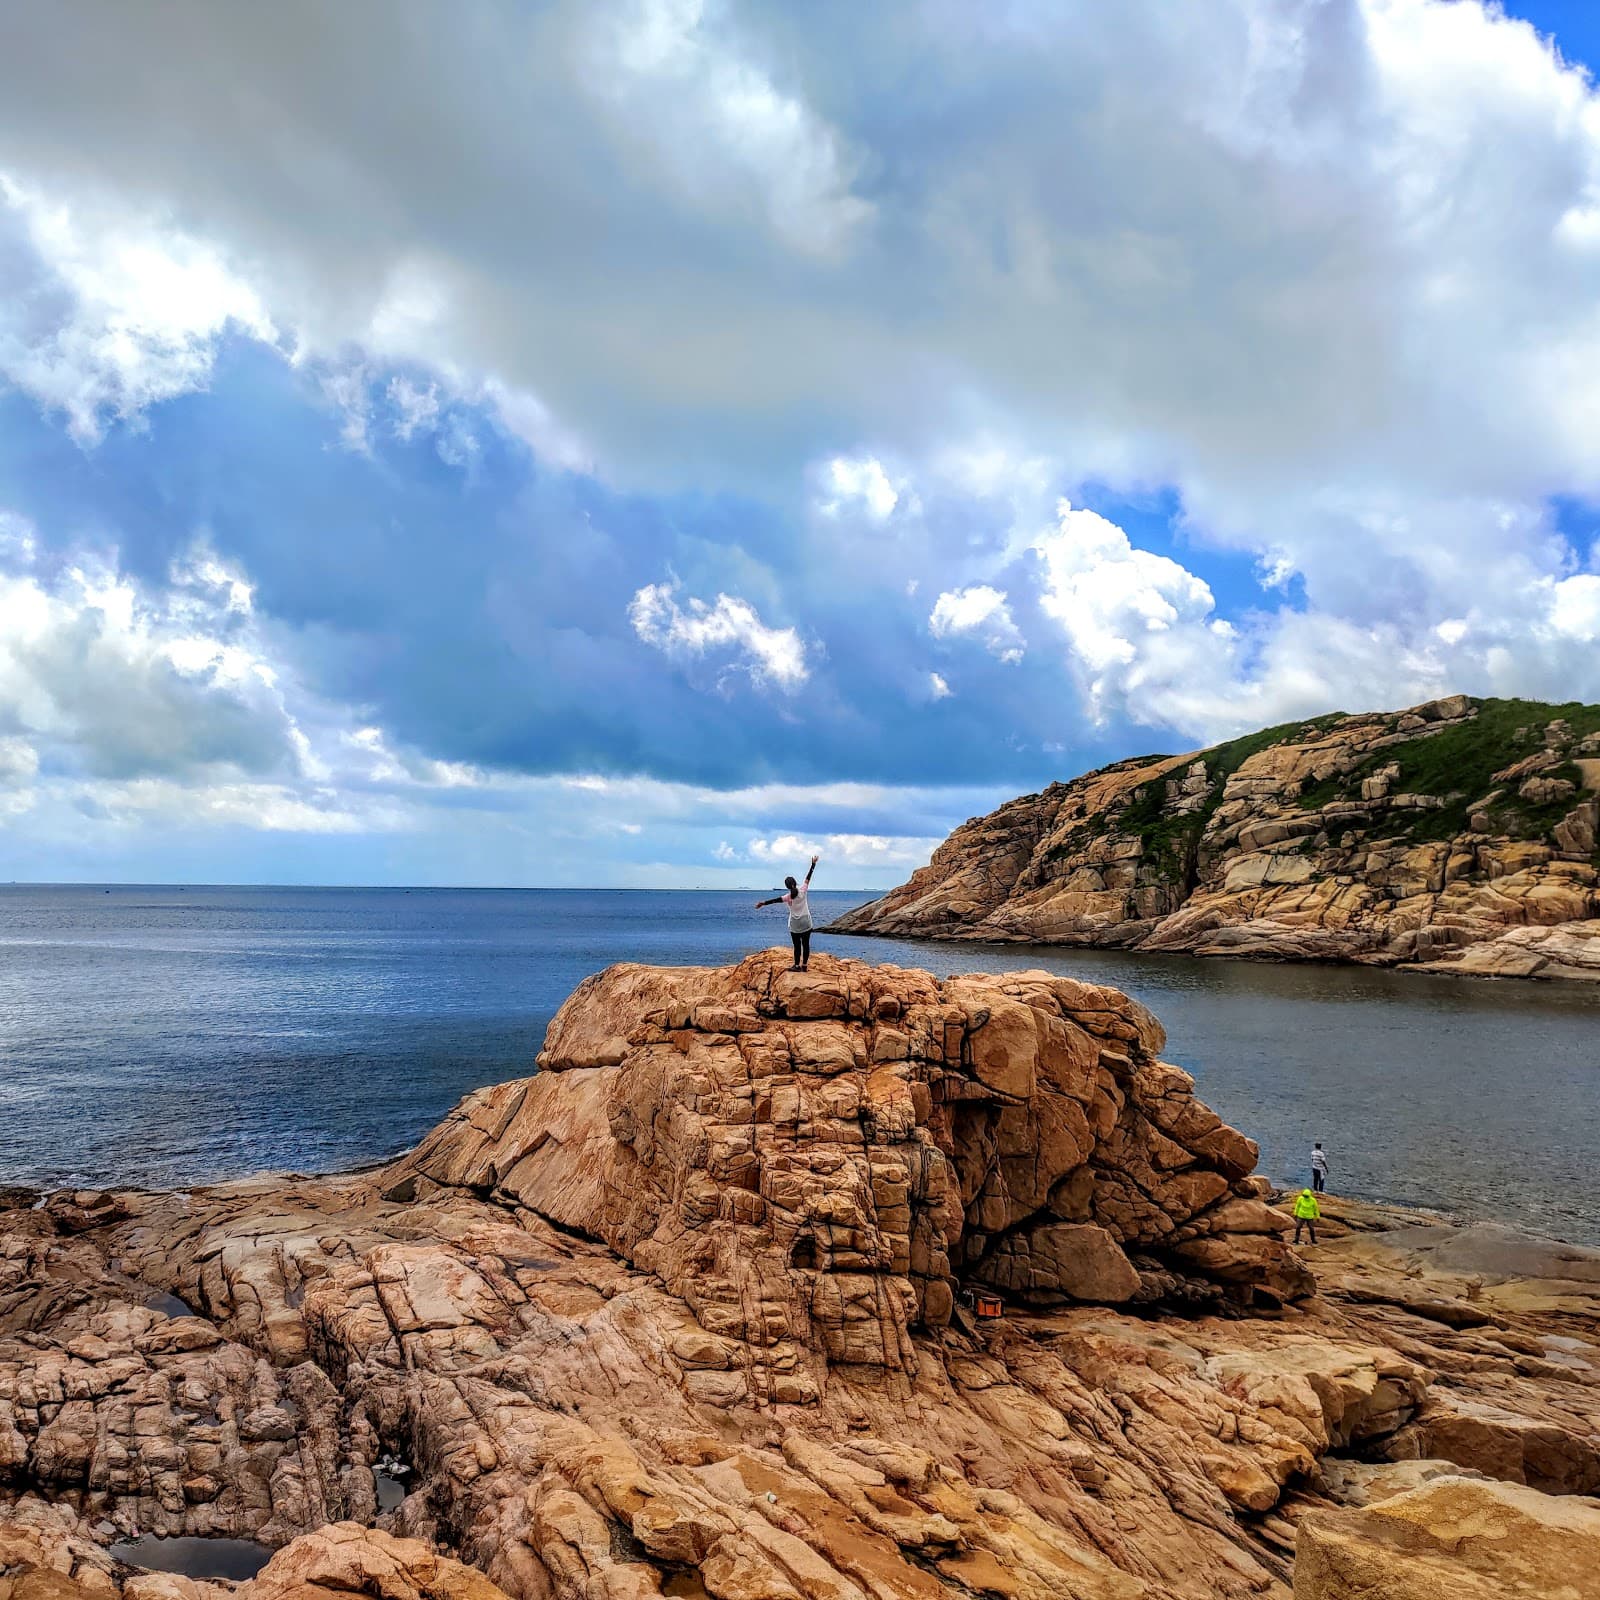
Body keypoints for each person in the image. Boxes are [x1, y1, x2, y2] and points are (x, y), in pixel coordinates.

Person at [755, 854, 820, 970]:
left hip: (795, 924)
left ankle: (796, 965)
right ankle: (804, 965)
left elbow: (775, 901)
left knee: (796, 946)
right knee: (806, 944)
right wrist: (813, 864)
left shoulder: (787, 897)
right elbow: (808, 877)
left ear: (787, 886)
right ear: (795, 883)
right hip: (806, 922)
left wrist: (762, 903)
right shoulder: (803, 890)